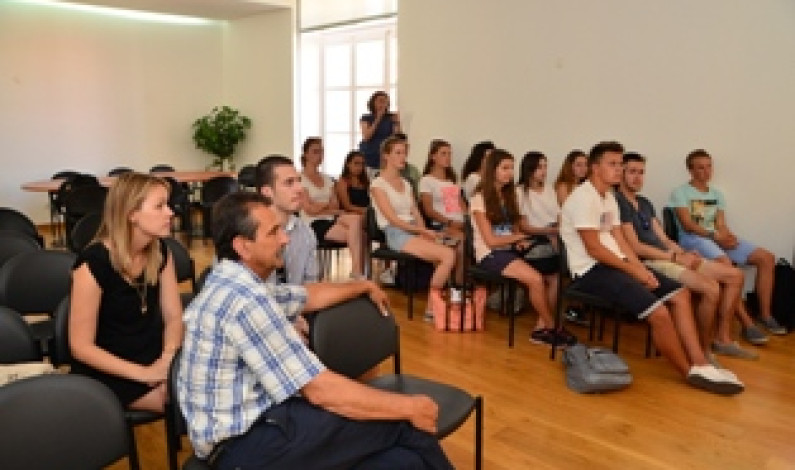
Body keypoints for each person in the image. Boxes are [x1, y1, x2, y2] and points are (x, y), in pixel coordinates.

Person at [178, 191, 453, 469]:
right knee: (405, 424)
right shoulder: (247, 301)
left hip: (255, 427)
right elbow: (320, 390)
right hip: (245, 445)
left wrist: (362, 285)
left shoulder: (230, 280)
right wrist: (411, 406)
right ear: (243, 247)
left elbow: (306, 295)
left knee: (401, 461)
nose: (284, 239)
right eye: (273, 233)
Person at [560, 141, 743, 395]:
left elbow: (620, 242)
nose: (618, 170)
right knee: (659, 314)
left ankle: (700, 361)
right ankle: (688, 372)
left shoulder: (609, 198)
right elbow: (595, 249)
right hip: (591, 270)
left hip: (617, 264)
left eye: (620, 164)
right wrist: (634, 271)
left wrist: (640, 269)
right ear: (594, 167)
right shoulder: (582, 198)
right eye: (612, 164)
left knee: (681, 294)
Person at [616, 152, 758, 361]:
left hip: (668, 255)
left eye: (642, 172)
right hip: (651, 261)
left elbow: (663, 238)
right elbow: (635, 247)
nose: (638, 177)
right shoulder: (617, 202)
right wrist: (673, 258)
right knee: (711, 288)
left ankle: (722, 339)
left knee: (735, 276)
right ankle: (703, 350)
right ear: (621, 173)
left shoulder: (644, 202)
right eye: (632, 172)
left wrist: (682, 252)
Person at [69, 172, 183, 412]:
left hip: (153, 356)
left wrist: (167, 360)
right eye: (160, 206)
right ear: (132, 214)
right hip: (109, 369)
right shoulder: (93, 263)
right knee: (192, 401)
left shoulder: (161, 251)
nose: (170, 212)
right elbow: (80, 347)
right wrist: (145, 374)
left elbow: (174, 316)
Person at [669, 149, 786, 340]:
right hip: (693, 240)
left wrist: (727, 237)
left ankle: (765, 315)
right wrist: (716, 236)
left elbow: (721, 223)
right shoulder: (680, 192)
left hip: (714, 237)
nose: (706, 171)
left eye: (709, 166)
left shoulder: (717, 194)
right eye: (700, 168)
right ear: (690, 171)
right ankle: (746, 323)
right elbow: (687, 224)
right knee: (727, 267)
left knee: (766, 257)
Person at [470, 149, 575, 346]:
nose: (509, 173)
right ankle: (551, 328)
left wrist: (518, 240)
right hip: (490, 254)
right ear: (492, 170)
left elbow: (511, 229)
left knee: (553, 275)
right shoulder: (479, 199)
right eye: (504, 168)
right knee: (535, 279)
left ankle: (541, 325)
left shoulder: (508, 195)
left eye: (511, 168)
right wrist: (520, 236)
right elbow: (491, 241)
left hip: (510, 249)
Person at [370, 136, 457, 319]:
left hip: (412, 229)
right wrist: (420, 231)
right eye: (398, 153)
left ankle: (445, 302)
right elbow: (392, 219)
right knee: (448, 255)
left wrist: (425, 231)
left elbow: (415, 212)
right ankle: (432, 308)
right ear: (387, 156)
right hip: (396, 233)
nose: (403, 157)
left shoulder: (407, 183)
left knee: (449, 250)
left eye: (405, 153)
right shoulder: (378, 184)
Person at [299, 138, 365, 279]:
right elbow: (309, 210)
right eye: (315, 151)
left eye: (321, 151)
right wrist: (324, 205)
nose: (320, 155)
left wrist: (319, 206)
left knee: (355, 219)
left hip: (331, 219)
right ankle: (358, 271)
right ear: (306, 155)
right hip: (313, 223)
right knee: (358, 235)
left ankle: (356, 270)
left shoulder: (327, 179)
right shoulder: (300, 178)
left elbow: (335, 205)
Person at [256, 154, 318, 284]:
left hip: (296, 303)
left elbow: (311, 287)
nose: (300, 189)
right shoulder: (246, 232)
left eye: (298, 181)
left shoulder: (306, 232)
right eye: (289, 183)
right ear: (267, 191)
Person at [515, 151, 562, 319]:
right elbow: (524, 226)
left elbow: (558, 216)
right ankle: (546, 320)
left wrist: (556, 228)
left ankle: (545, 320)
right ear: (529, 169)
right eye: (539, 167)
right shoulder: (520, 192)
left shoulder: (549, 189)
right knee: (554, 276)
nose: (544, 171)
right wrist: (548, 231)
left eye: (545, 166)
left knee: (558, 272)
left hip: (552, 236)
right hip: (534, 239)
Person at [553, 149, 590, 325]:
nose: (583, 168)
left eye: (585, 164)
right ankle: (575, 304)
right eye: (578, 165)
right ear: (570, 166)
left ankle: (581, 302)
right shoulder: (564, 186)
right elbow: (569, 212)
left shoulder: (587, 187)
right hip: (568, 235)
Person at [359, 91, 401, 177]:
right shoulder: (366, 118)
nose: (383, 104)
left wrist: (397, 123)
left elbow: (397, 138)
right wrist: (378, 118)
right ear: (373, 102)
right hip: (370, 155)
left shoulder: (390, 117)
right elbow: (367, 136)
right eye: (380, 101)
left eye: (385, 102)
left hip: (385, 156)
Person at [335, 150, 370, 216]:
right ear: (348, 164)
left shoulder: (364, 181)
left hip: (366, 213)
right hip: (350, 214)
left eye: (362, 164)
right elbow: (347, 206)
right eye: (356, 163)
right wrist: (365, 211)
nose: (360, 167)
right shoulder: (343, 181)